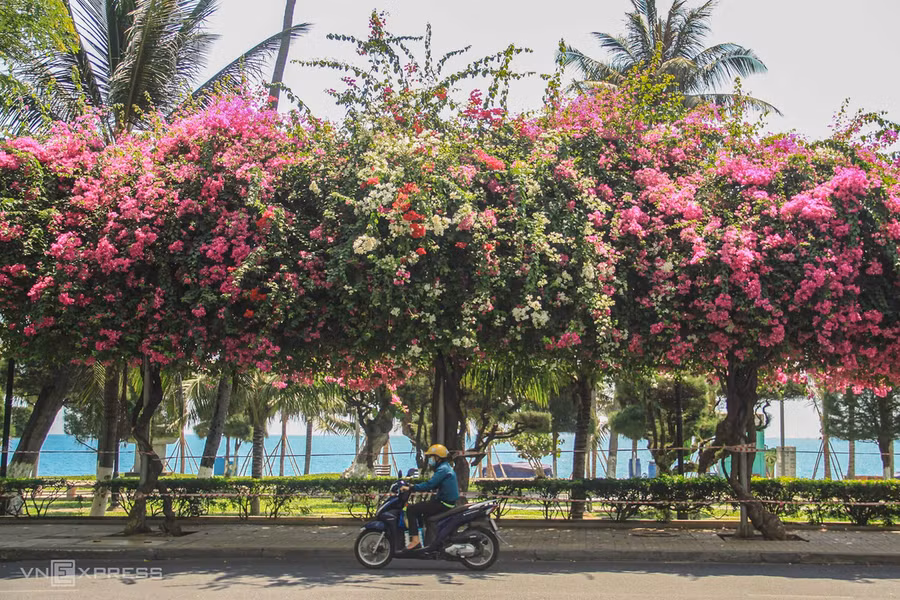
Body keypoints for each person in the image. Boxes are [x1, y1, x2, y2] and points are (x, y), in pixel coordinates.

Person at [402, 443, 459, 549]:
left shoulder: (442, 469)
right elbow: (435, 484)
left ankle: (415, 541)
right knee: (422, 512)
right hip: (445, 502)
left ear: (438, 458)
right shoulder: (446, 468)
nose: (430, 460)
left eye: (431, 457)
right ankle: (427, 541)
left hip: (443, 503)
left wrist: (411, 488)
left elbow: (430, 484)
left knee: (411, 510)